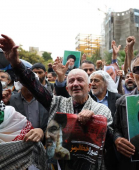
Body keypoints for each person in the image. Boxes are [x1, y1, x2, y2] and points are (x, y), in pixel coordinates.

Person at [0, 34, 112, 170]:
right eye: (71, 81)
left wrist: (94, 118)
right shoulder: (57, 103)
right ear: (67, 88)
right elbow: (34, 86)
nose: (75, 84)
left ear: (89, 86)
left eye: (80, 80)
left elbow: (109, 138)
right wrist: (16, 63)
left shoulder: (102, 110)